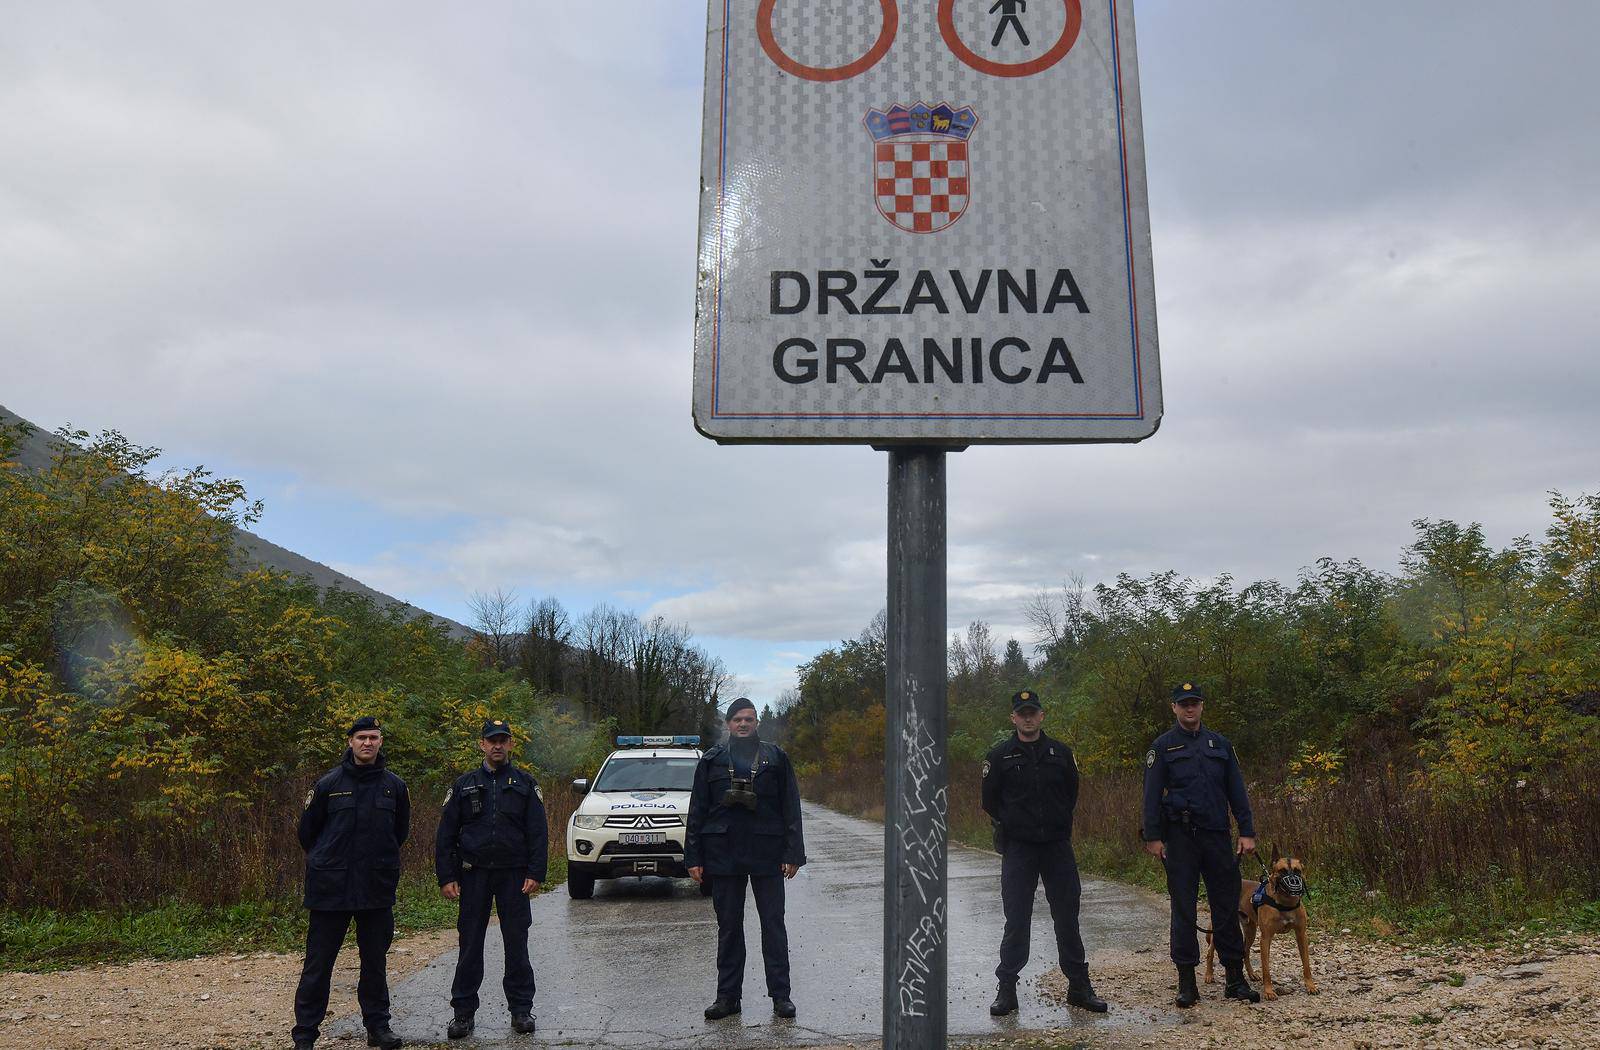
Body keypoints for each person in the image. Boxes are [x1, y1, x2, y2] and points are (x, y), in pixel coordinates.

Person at [980, 690, 1107, 1016]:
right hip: (1019, 849)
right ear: (1013, 718)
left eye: (1032, 712)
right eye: (1021, 713)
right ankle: (1006, 990)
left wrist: (1054, 822)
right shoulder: (999, 757)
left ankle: (1079, 987)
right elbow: (990, 802)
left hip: (1056, 847)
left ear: (1041, 716)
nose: (1027, 717)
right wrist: (1014, 824)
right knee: (1017, 920)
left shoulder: (1061, 753)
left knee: (1067, 918)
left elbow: (1071, 792)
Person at [292, 716, 410, 1050]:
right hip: (331, 890)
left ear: (381, 742)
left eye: (373, 737)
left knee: (375, 963)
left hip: (375, 888)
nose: (367, 743)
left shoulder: (395, 787)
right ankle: (305, 1035)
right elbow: (307, 833)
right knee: (318, 965)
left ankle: (378, 1027)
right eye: (361, 738)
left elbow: (399, 833)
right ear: (350, 742)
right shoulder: (329, 784)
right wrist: (328, 861)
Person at [684, 697, 806, 1021]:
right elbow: (697, 811)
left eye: (748, 719)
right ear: (728, 724)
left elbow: (790, 806)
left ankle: (781, 997)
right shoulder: (711, 761)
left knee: (773, 926)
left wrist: (793, 852)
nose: (742, 724)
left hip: (767, 854)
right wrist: (693, 857)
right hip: (723, 855)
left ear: (756, 724)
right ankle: (727, 998)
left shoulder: (775, 758)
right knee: (729, 929)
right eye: (737, 719)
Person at [1141, 683, 1261, 1007]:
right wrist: (1153, 837)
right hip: (1180, 839)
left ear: (1202, 706)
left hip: (1217, 835)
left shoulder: (1220, 745)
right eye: (1184, 704)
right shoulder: (1163, 747)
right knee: (1183, 908)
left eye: (1194, 703)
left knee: (1227, 905)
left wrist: (1246, 831)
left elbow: (1237, 790)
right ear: (1174, 708)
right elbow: (1151, 796)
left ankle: (1234, 978)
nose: (1189, 709)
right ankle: (1187, 983)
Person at [435, 719, 548, 1039]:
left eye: (503, 740)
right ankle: (463, 1013)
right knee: (470, 944)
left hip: (514, 876)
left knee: (517, 943)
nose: (497, 745)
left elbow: (538, 832)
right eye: (491, 740)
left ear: (511, 744)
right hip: (474, 875)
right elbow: (446, 834)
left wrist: (536, 872)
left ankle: (521, 1009)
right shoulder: (463, 784)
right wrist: (447, 875)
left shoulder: (525, 783)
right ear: (481, 745)